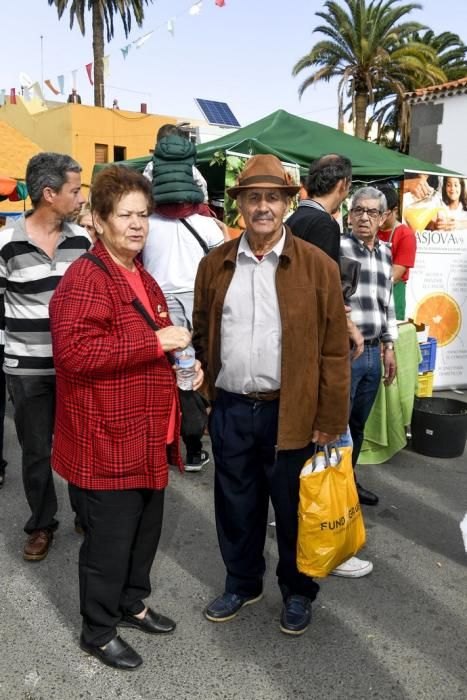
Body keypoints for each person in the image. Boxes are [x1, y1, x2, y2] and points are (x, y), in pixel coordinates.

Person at [49, 165, 203, 671]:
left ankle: (130, 602)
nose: (137, 225)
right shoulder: (86, 278)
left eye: (144, 215)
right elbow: (74, 353)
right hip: (106, 436)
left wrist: (186, 364)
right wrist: (153, 342)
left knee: (144, 533)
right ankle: (97, 629)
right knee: (108, 544)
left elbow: (155, 341)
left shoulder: (143, 275)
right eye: (125, 215)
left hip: (147, 433)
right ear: (97, 220)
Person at [192, 155, 350, 636]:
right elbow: (202, 333)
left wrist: (330, 419)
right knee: (236, 506)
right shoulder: (214, 264)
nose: (263, 207)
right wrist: (205, 396)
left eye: (272, 198)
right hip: (233, 408)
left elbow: (334, 351)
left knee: (293, 509)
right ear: (239, 205)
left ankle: (299, 592)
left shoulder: (318, 266)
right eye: (253, 198)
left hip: (294, 412)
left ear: (287, 203)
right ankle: (242, 583)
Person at [0, 153, 89, 560]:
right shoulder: (6, 244)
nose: (81, 197)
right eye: (75, 189)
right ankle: (40, 524)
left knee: (82, 444)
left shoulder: (83, 242)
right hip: (28, 369)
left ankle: (86, 514)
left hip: (77, 368)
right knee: (36, 450)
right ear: (49, 194)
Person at [143, 131, 225, 472]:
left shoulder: (143, 225)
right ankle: (193, 447)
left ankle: (158, 445)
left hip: (156, 304)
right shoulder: (208, 225)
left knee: (160, 375)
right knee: (191, 373)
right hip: (198, 301)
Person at [340, 187, 398, 507]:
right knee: (338, 424)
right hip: (347, 351)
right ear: (349, 215)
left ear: (383, 218)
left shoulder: (386, 253)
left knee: (358, 424)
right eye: (358, 210)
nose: (364, 217)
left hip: (375, 352)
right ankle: (331, 490)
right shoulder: (338, 247)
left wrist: (390, 346)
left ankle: (349, 481)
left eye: (372, 212)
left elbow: (387, 304)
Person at [377, 185, 417, 320]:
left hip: (393, 294)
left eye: (384, 214)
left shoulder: (406, 235)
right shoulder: (370, 231)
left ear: (395, 210)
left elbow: (396, 274)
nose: (379, 218)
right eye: (375, 213)